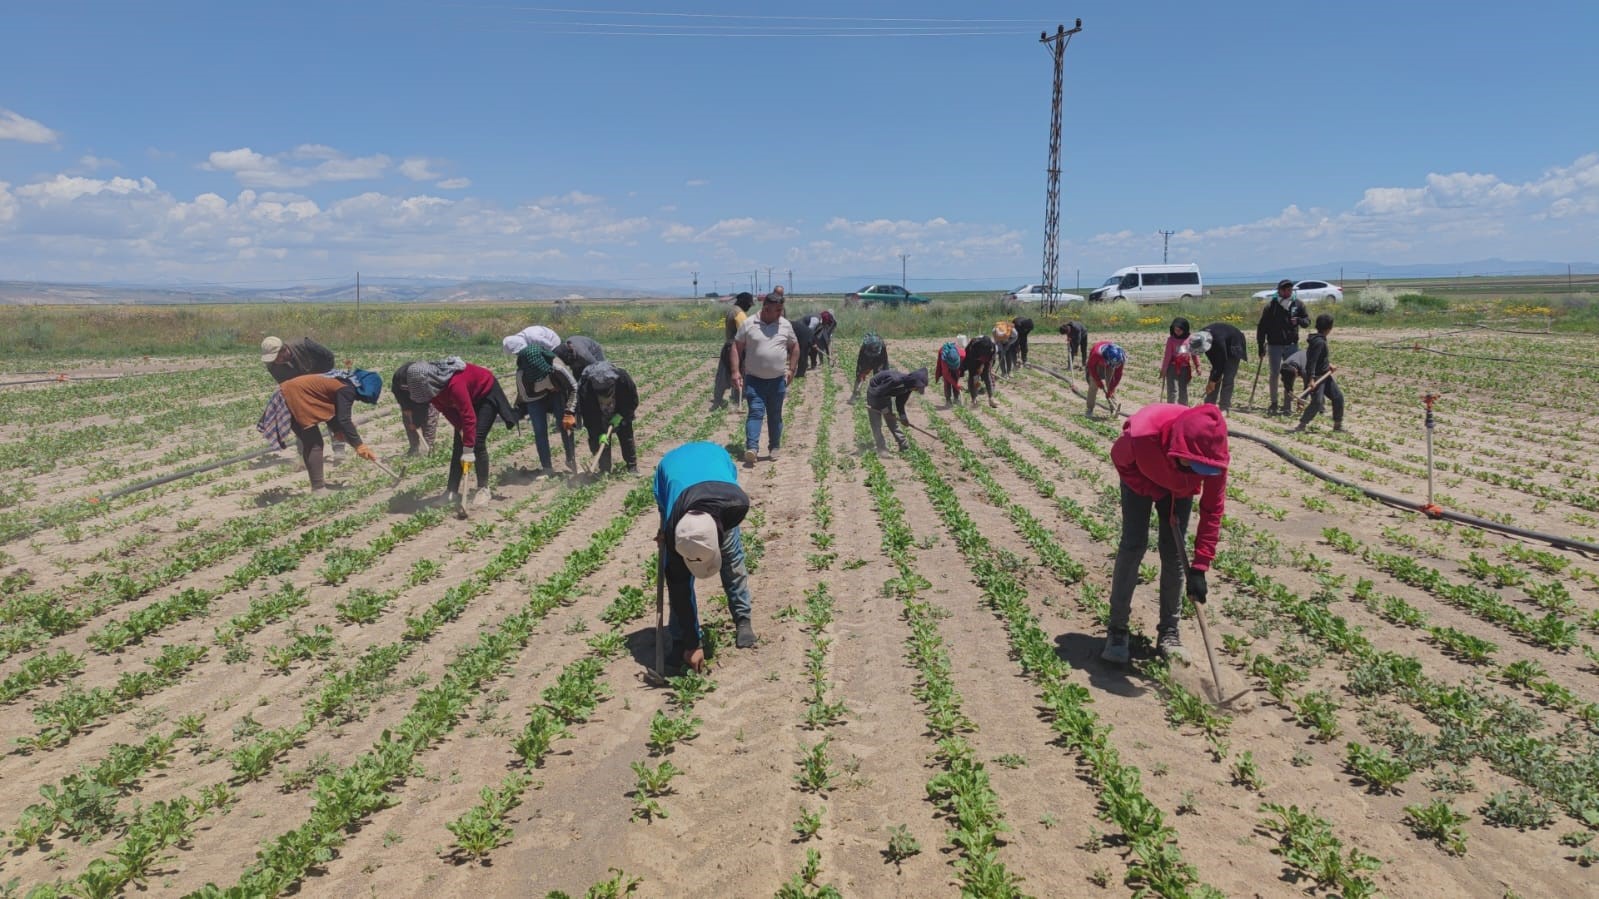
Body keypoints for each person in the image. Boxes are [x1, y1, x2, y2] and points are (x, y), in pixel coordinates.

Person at [1101, 403, 1230, 665]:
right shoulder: (1141, 437)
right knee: (1133, 544)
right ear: (1178, 447)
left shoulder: (1215, 456)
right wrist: (1154, 490)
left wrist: (1201, 566)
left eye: (1202, 471)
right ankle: (1117, 629)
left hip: (1178, 489)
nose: (1199, 474)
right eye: (1192, 465)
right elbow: (1119, 459)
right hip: (1140, 475)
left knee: (1174, 553)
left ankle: (1169, 633)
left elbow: (1212, 509)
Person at [655, 441, 756, 673]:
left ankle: (743, 620)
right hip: (670, 472)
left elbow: (728, 550)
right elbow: (678, 586)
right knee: (677, 578)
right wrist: (693, 644)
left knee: (732, 562)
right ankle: (680, 637)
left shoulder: (737, 505)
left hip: (715, 467)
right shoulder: (674, 536)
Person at [400, 357, 519, 507]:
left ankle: (483, 489)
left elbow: (468, 415)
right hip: (468, 400)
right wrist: (460, 428)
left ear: (429, 381)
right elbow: (447, 410)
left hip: (485, 394)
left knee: (476, 441)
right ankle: (451, 492)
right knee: (458, 445)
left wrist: (469, 449)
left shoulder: (455, 384)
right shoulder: (432, 390)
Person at [277, 373, 379, 491]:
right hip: (293, 395)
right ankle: (318, 488)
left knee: (312, 442)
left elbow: (330, 409)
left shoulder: (343, 383)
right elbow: (344, 419)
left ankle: (318, 486)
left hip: (293, 393)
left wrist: (336, 430)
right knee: (314, 443)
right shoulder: (346, 389)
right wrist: (359, 445)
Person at [730, 291, 799, 463]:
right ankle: (752, 448)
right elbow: (736, 347)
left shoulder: (785, 325)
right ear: (766, 308)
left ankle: (774, 447)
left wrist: (791, 369)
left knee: (775, 415)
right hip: (754, 380)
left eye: (781, 310)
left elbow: (795, 346)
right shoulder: (749, 323)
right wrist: (735, 371)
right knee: (755, 412)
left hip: (777, 381)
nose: (780, 314)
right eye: (777, 310)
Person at [261, 336, 344, 458]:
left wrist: (318, 379)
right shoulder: (273, 367)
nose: (275, 361)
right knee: (301, 419)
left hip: (321, 381)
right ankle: (305, 453)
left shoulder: (305, 345)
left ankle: (339, 448)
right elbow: (286, 385)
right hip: (300, 390)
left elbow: (328, 357)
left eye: (276, 357)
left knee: (332, 414)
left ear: (283, 350)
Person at [514, 343, 579, 477]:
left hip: (557, 394)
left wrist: (569, 411)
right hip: (534, 398)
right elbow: (526, 396)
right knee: (540, 430)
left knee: (566, 425)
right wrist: (546, 389)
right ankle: (547, 468)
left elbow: (574, 387)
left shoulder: (557, 367)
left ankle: (571, 460)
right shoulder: (521, 374)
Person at [1257, 279, 1311, 416]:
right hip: (1274, 345)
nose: (1287, 292)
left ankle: (1287, 405)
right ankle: (1274, 402)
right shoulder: (1271, 306)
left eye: (1289, 289)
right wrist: (1260, 345)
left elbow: (1307, 322)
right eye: (1284, 289)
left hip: (1291, 346)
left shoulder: (1298, 304)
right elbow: (1262, 327)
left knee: (1289, 374)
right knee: (1274, 374)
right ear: (1279, 290)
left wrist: (1299, 320)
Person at [576, 361, 639, 473]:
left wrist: (621, 415)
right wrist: (600, 432)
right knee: (600, 441)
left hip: (620, 409)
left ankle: (632, 466)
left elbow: (632, 400)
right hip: (597, 414)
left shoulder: (623, 379)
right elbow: (589, 415)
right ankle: (604, 469)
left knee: (626, 436)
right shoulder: (586, 388)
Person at [1290, 314, 1343, 433]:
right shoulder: (1319, 342)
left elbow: (1320, 358)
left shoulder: (1320, 340)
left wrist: (1328, 365)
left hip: (1325, 375)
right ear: (1329, 328)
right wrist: (1311, 379)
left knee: (1338, 397)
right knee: (1317, 402)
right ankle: (1302, 425)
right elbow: (1312, 362)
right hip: (1317, 376)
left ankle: (1338, 425)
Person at [866, 367, 929, 452]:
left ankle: (903, 444)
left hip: (886, 394)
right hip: (874, 392)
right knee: (876, 423)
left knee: (891, 420)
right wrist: (885, 411)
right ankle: (881, 447)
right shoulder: (895, 380)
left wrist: (903, 417)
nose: (916, 390)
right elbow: (878, 393)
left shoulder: (908, 388)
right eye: (917, 388)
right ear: (912, 383)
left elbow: (900, 403)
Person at [713, 293, 755, 410]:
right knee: (738, 373)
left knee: (723, 374)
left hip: (728, 346)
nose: (749, 307)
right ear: (743, 302)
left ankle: (719, 400)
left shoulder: (733, 310)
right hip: (736, 348)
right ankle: (736, 400)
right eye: (749, 304)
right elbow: (745, 333)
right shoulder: (739, 313)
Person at [1193, 323, 1246, 414]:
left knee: (1228, 378)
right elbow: (1215, 364)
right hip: (1222, 342)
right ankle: (1209, 404)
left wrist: (1213, 381)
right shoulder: (1200, 337)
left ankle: (1224, 407)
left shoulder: (1218, 341)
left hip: (1234, 344)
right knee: (1215, 374)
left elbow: (1221, 362)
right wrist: (1213, 379)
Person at [390, 367, 439, 456]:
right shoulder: (399, 376)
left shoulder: (424, 381)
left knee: (428, 421)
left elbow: (423, 406)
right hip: (408, 400)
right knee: (408, 421)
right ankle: (414, 448)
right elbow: (396, 391)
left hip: (427, 401)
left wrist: (416, 423)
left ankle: (428, 450)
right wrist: (405, 407)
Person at [1159, 317, 1200, 406]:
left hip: (1184, 368)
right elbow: (1167, 356)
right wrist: (1164, 369)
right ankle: (1171, 408)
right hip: (1172, 368)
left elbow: (1194, 354)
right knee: (1172, 390)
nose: (1177, 332)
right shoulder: (1171, 340)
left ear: (1185, 329)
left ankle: (1183, 409)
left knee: (1183, 390)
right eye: (1175, 330)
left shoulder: (1190, 339)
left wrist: (1198, 366)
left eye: (1179, 330)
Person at [1085, 341, 1126, 417]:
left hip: (1109, 362)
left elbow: (1118, 375)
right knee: (1093, 385)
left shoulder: (1120, 357)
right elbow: (1092, 368)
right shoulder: (1096, 354)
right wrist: (1098, 381)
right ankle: (1090, 409)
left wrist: (1111, 389)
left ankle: (1113, 408)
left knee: (1110, 383)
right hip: (1097, 364)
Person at [849, 331, 890, 403]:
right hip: (866, 358)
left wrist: (879, 370)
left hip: (879, 359)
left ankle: (879, 395)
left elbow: (883, 362)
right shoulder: (864, 347)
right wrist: (862, 372)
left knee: (880, 376)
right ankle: (855, 393)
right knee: (860, 374)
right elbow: (861, 362)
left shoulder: (882, 347)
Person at [960, 333, 998, 408]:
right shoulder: (973, 347)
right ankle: (974, 399)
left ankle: (991, 398)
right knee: (974, 378)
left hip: (986, 362)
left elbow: (991, 358)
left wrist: (983, 366)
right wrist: (978, 369)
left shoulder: (992, 347)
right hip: (973, 362)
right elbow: (969, 359)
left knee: (987, 376)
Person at [935, 339, 964, 407]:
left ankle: (956, 399)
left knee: (955, 378)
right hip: (947, 365)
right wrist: (956, 385)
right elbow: (946, 375)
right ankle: (948, 400)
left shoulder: (962, 354)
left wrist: (956, 383)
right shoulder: (944, 358)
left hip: (957, 367)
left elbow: (963, 365)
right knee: (947, 382)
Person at [790, 311, 818, 380]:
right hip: (808, 333)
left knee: (802, 354)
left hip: (805, 335)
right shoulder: (786, 324)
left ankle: (800, 373)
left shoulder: (784, 325)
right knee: (804, 353)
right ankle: (804, 369)